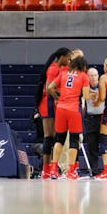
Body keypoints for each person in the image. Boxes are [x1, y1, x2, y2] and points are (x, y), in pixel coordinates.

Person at [45, 53, 91, 181]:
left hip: (61, 108)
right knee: (74, 140)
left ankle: (53, 169)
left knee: (59, 139)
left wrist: (57, 97)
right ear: (83, 66)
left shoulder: (64, 74)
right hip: (73, 109)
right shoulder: (83, 76)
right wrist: (94, 95)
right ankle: (71, 171)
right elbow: (86, 97)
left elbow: (49, 87)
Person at [37, 48, 72, 179]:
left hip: (57, 103)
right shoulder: (53, 68)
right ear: (62, 57)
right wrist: (62, 96)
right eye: (68, 57)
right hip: (48, 103)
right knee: (49, 136)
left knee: (58, 137)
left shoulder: (63, 68)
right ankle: (46, 169)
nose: (69, 60)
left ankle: (53, 168)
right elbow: (48, 88)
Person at [83, 66, 105, 175]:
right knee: (92, 146)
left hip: (102, 118)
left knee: (106, 144)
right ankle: (95, 170)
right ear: (87, 77)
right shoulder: (84, 88)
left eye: (95, 75)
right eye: (91, 75)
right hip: (90, 119)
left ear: (98, 76)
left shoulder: (103, 87)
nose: (93, 77)